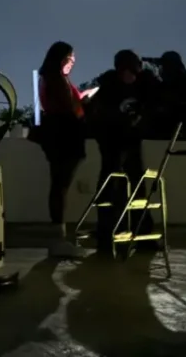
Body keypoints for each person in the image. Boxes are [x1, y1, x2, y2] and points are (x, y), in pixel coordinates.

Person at [88, 49, 157, 254]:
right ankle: (107, 237)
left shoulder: (143, 84)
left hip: (132, 142)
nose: (130, 75)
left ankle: (143, 236)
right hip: (111, 142)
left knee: (137, 188)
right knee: (110, 189)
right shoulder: (108, 85)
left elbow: (154, 103)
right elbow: (98, 115)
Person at [35, 41, 92, 258]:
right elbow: (69, 107)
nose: (73, 61)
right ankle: (58, 240)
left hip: (57, 134)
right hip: (64, 135)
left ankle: (58, 237)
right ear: (62, 58)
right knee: (61, 186)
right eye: (71, 57)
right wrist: (84, 103)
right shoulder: (56, 79)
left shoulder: (50, 77)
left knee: (59, 185)